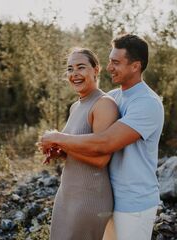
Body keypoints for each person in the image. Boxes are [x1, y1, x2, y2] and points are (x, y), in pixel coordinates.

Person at [41, 34, 164, 240]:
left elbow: (104, 144)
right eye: (109, 61)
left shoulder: (147, 103)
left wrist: (58, 137)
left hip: (134, 203)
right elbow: (88, 144)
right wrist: (63, 151)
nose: (109, 67)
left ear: (135, 66)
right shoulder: (114, 97)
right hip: (110, 198)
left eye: (116, 62)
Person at [44, 48, 119, 240]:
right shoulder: (75, 106)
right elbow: (78, 147)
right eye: (70, 69)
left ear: (96, 69)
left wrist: (59, 138)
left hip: (90, 198)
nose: (74, 74)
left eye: (81, 67)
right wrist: (60, 152)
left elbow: (101, 159)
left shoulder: (104, 104)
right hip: (67, 194)